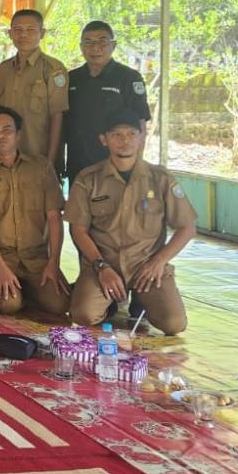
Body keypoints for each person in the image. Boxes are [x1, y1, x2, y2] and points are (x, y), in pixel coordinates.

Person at [65, 108, 196, 336]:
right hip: (104, 264)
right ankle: (110, 302)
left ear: (141, 137)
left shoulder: (161, 179)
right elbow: (78, 229)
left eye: (131, 134)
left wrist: (159, 261)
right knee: (83, 315)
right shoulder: (88, 179)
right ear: (104, 140)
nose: (125, 141)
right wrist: (101, 266)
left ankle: (142, 299)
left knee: (174, 324)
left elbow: (187, 227)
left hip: (146, 266)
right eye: (116, 135)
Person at [0, 106, 70, 316]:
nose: (0, 136)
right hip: (1, 256)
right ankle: (20, 294)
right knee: (8, 305)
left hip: (36, 256)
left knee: (60, 305)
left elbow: (54, 217)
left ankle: (30, 292)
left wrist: (53, 262)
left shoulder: (41, 168)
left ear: (18, 134)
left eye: (7, 130)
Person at [65, 20, 151, 183]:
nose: (95, 48)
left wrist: (136, 163)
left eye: (102, 42)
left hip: (116, 165)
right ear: (81, 46)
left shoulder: (128, 78)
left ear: (114, 45)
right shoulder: (72, 79)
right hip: (78, 164)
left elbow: (140, 123)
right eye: (88, 42)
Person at [0, 9, 68, 165]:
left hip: (37, 156)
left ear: (42, 33)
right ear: (9, 33)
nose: (23, 35)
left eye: (31, 30)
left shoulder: (53, 69)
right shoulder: (3, 70)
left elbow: (57, 116)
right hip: (3, 157)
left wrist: (51, 161)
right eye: (18, 30)